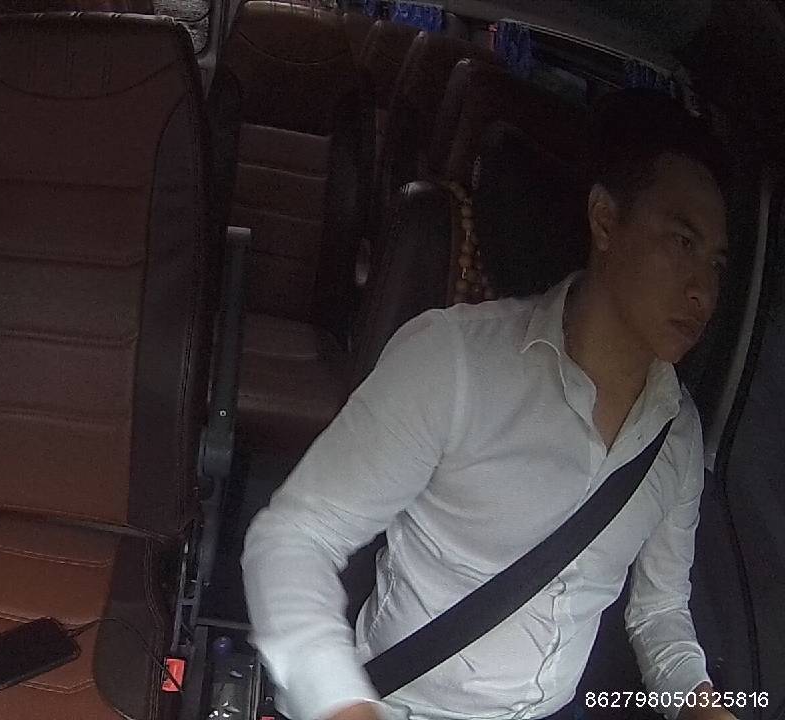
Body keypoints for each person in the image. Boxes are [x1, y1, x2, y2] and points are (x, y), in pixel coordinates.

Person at [242, 89, 737, 720]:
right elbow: (294, 537)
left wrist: (704, 706)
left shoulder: (677, 435)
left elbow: (660, 611)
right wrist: (339, 703)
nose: (703, 292)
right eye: (682, 243)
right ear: (606, 222)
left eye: (717, 264)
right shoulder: (455, 363)